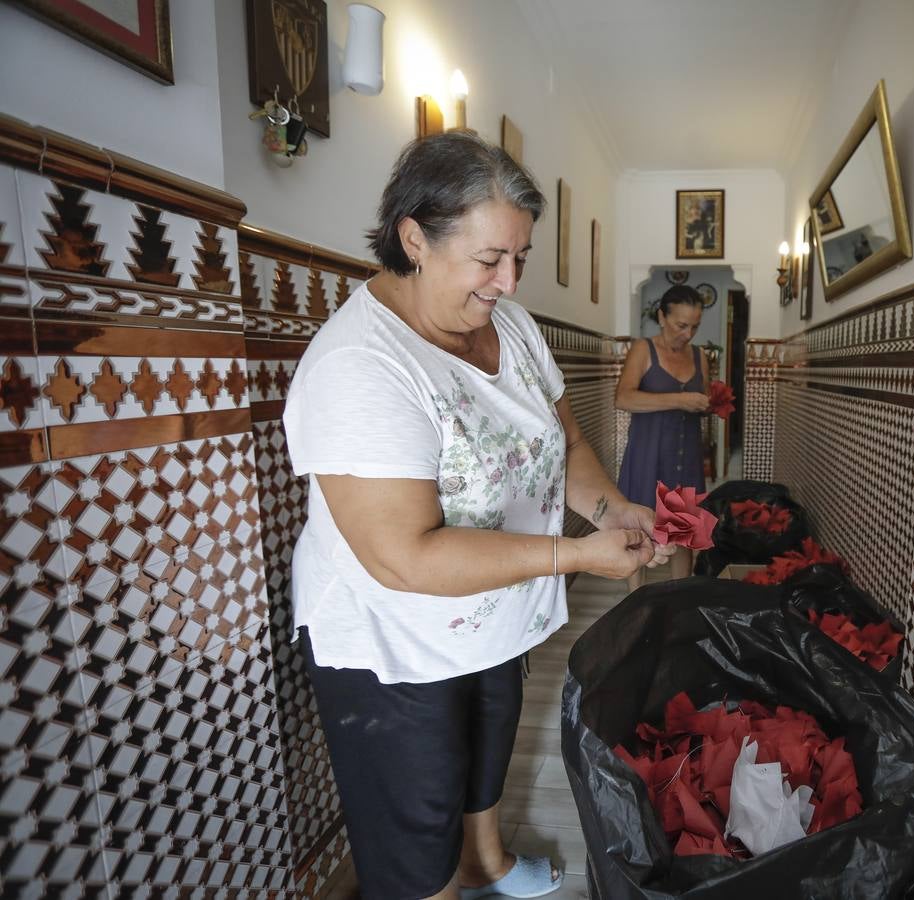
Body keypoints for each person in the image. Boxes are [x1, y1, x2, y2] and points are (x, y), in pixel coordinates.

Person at [283, 131, 673, 900]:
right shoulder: (360, 367)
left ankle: (484, 860)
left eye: (520, 258)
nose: (508, 280)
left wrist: (611, 510)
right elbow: (408, 558)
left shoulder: (512, 328)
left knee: (487, 742)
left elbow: (565, 441)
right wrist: (577, 555)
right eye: (490, 258)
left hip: (490, 607)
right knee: (417, 810)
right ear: (414, 239)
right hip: (392, 638)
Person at [615, 285, 710, 590]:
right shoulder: (644, 349)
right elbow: (624, 398)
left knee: (683, 537)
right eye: (682, 325)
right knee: (637, 536)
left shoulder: (699, 356)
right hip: (646, 457)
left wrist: (708, 404)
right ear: (662, 316)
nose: (688, 333)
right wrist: (680, 400)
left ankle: (677, 600)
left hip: (685, 458)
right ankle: (635, 606)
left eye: (695, 326)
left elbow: (701, 400)